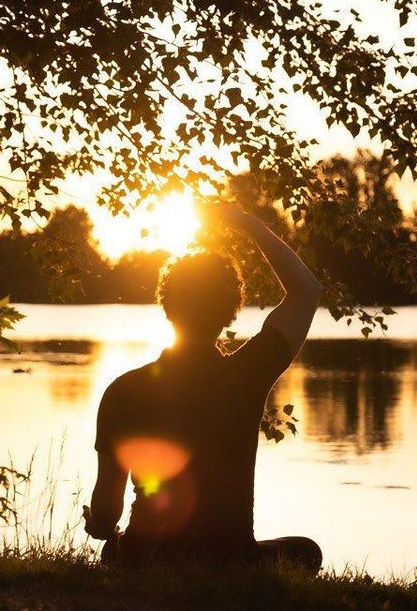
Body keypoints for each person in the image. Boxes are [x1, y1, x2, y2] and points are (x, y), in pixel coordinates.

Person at [83, 203, 323, 571]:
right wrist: (251, 225)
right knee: (306, 551)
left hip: (147, 558)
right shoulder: (246, 375)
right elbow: (306, 292)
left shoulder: (123, 390)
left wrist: (99, 526)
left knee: (112, 550)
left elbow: (104, 519)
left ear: (167, 305)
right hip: (229, 558)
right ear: (232, 310)